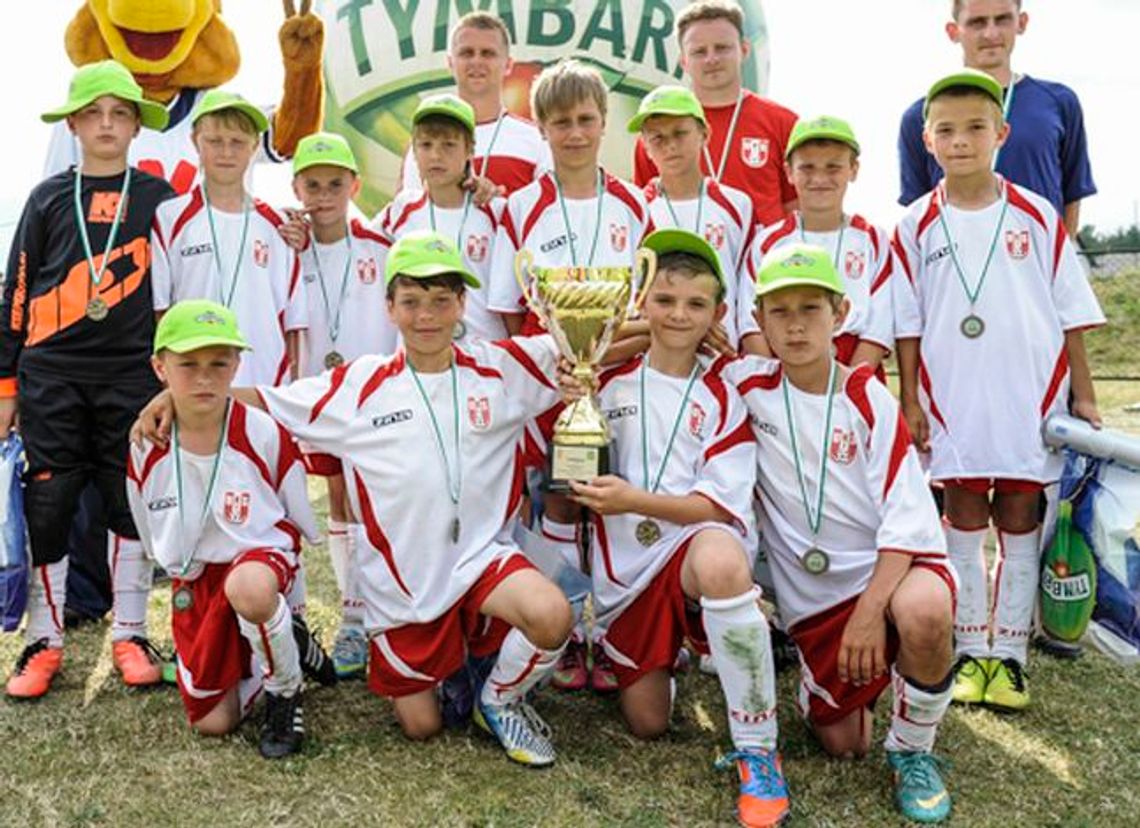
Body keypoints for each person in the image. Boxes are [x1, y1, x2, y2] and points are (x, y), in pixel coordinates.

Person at [134, 231, 576, 767]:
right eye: (411, 302)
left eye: (442, 301)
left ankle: (499, 699)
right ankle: (454, 660)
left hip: (483, 558)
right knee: (421, 727)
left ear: (463, 304)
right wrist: (173, 395)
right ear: (389, 307)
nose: (427, 316)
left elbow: (589, 341)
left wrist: (683, 335)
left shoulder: (503, 367)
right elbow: (271, 401)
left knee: (552, 613)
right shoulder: (361, 386)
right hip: (403, 588)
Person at [893, 70, 1104, 711]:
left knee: (1018, 515)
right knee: (962, 516)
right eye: (947, 130)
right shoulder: (913, 225)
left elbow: (1070, 312)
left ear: (1001, 135)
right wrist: (909, 400)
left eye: (975, 128)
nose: (961, 141)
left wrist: (1085, 394)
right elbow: (906, 323)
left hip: (1026, 395)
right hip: (950, 397)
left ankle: (1008, 655)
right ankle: (968, 649)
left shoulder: (1038, 215)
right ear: (928, 141)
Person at [730, 244, 957, 824]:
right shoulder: (745, 387)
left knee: (927, 612)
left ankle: (912, 750)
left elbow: (908, 523)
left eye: (812, 308)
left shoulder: (866, 397)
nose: (796, 324)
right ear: (757, 322)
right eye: (779, 312)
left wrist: (869, 614)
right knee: (844, 744)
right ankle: (824, 684)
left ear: (842, 313)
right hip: (815, 598)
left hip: (890, 573)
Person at [570, 229, 788, 828]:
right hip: (626, 579)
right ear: (642, 304)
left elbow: (719, 508)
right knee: (648, 725)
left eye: (696, 305)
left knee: (722, 560)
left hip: (691, 549)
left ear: (718, 314)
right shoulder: (603, 386)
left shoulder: (724, 393)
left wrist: (635, 500)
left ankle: (757, 749)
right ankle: (675, 649)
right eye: (664, 300)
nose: (678, 314)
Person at [1, 60, 175, 697]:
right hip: (50, 374)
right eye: (94, 114)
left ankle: (130, 631)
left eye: (120, 114)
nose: (106, 125)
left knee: (128, 502)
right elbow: (17, 293)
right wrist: (5, 386)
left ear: (135, 126)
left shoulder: (159, 198)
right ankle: (43, 642)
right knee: (48, 504)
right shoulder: (48, 196)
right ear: (73, 123)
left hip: (131, 373)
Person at [487, 58, 652, 693]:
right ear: (542, 127)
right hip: (555, 385)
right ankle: (564, 636)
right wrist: (548, 369)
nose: (575, 133)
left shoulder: (637, 205)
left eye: (586, 120)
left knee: (609, 503)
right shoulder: (520, 208)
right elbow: (508, 310)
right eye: (561, 122)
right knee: (558, 500)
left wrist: (601, 358)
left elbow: (651, 309)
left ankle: (606, 634)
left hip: (621, 383)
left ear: (605, 123)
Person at [127, 300, 323, 758]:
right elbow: (146, 521)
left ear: (237, 363)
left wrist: (285, 587)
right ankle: (283, 640)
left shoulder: (262, 431)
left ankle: (285, 689)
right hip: (199, 578)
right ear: (160, 367)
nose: (204, 377)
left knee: (250, 588)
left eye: (219, 363)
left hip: (258, 566)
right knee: (215, 723)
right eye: (188, 364)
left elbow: (295, 517)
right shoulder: (145, 445)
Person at [290, 131, 398, 679]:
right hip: (317, 396)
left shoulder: (381, 247)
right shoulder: (291, 248)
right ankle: (352, 617)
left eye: (336, 184)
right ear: (297, 188)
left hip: (370, 397)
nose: (324, 195)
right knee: (337, 496)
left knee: (370, 499)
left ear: (355, 186)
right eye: (313, 185)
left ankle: (373, 611)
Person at [896, 0, 1096, 237]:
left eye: (1002, 19)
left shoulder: (1059, 102)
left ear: (1021, 23)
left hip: (1034, 262)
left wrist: (1062, 258)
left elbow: (1073, 191)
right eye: (977, 22)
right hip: (957, 266)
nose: (991, 33)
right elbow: (917, 206)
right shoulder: (921, 116)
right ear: (953, 31)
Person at [151, 90, 308, 387]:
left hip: (263, 384)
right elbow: (161, 310)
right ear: (195, 141)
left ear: (253, 147)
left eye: (237, 142)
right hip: (193, 385)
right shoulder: (170, 217)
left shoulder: (280, 225)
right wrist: (169, 387)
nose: (226, 152)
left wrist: (292, 389)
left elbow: (294, 323)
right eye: (214, 142)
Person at [740, 116, 893, 373]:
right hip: (784, 362)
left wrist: (850, 383)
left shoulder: (872, 238)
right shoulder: (769, 242)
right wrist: (775, 381)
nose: (819, 178)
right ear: (788, 172)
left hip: (855, 363)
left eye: (833, 167)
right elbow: (749, 319)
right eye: (807, 168)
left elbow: (880, 323)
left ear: (853, 169)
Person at [631, 0, 798, 228]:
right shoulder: (658, 132)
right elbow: (647, 209)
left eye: (722, 48)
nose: (711, 59)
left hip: (764, 259)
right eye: (699, 52)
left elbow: (796, 208)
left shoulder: (783, 122)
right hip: (685, 258)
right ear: (683, 61)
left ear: (744, 50)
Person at [630, 86, 754, 350]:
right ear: (645, 146)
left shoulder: (736, 204)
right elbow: (632, 290)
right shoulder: (635, 209)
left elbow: (747, 287)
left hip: (720, 352)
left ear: (704, 134)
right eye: (657, 138)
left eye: (680, 133)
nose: (670, 146)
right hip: (653, 355)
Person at [378, 94, 506, 342]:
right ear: (414, 152)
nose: (435, 156)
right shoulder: (401, 210)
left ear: (469, 150)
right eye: (426, 145)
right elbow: (352, 238)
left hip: (483, 354)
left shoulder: (496, 211)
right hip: (421, 359)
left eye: (448, 145)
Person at [398, 11, 551, 197]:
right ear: (450, 63)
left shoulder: (536, 139)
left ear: (508, 65)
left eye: (488, 54)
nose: (476, 61)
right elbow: (410, 214)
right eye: (466, 53)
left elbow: (548, 214)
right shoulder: (426, 144)